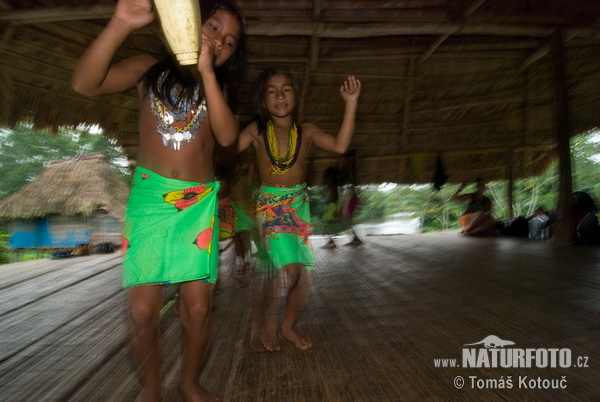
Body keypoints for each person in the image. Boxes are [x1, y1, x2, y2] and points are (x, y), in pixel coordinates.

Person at [71, 0, 245, 400]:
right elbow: (84, 84)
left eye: (230, 41)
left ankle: (189, 382)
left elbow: (227, 137)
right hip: (149, 202)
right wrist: (120, 23)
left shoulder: (219, 88)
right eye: (215, 26)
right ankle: (151, 389)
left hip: (198, 206)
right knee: (142, 312)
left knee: (198, 310)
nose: (219, 39)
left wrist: (206, 73)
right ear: (192, 20)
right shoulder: (148, 69)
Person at [237, 67, 361, 351]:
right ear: (263, 101)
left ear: (296, 96)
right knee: (290, 272)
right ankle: (267, 319)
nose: (279, 95)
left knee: (303, 276)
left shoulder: (309, 131)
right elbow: (226, 149)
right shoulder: (255, 131)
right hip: (270, 204)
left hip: (299, 205)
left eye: (286, 89)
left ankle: (288, 327)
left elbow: (341, 146)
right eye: (271, 91)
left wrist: (351, 103)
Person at [338, 149, 363, 246]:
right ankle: (355, 238)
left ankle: (355, 238)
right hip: (350, 196)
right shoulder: (350, 170)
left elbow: (351, 184)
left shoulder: (352, 170)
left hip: (350, 197)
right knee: (347, 219)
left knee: (346, 219)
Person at [320, 166, 340, 249]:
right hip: (332, 206)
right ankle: (330, 241)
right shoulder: (333, 185)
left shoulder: (331, 185)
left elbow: (331, 198)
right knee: (327, 224)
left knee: (325, 224)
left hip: (330, 206)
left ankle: (331, 242)